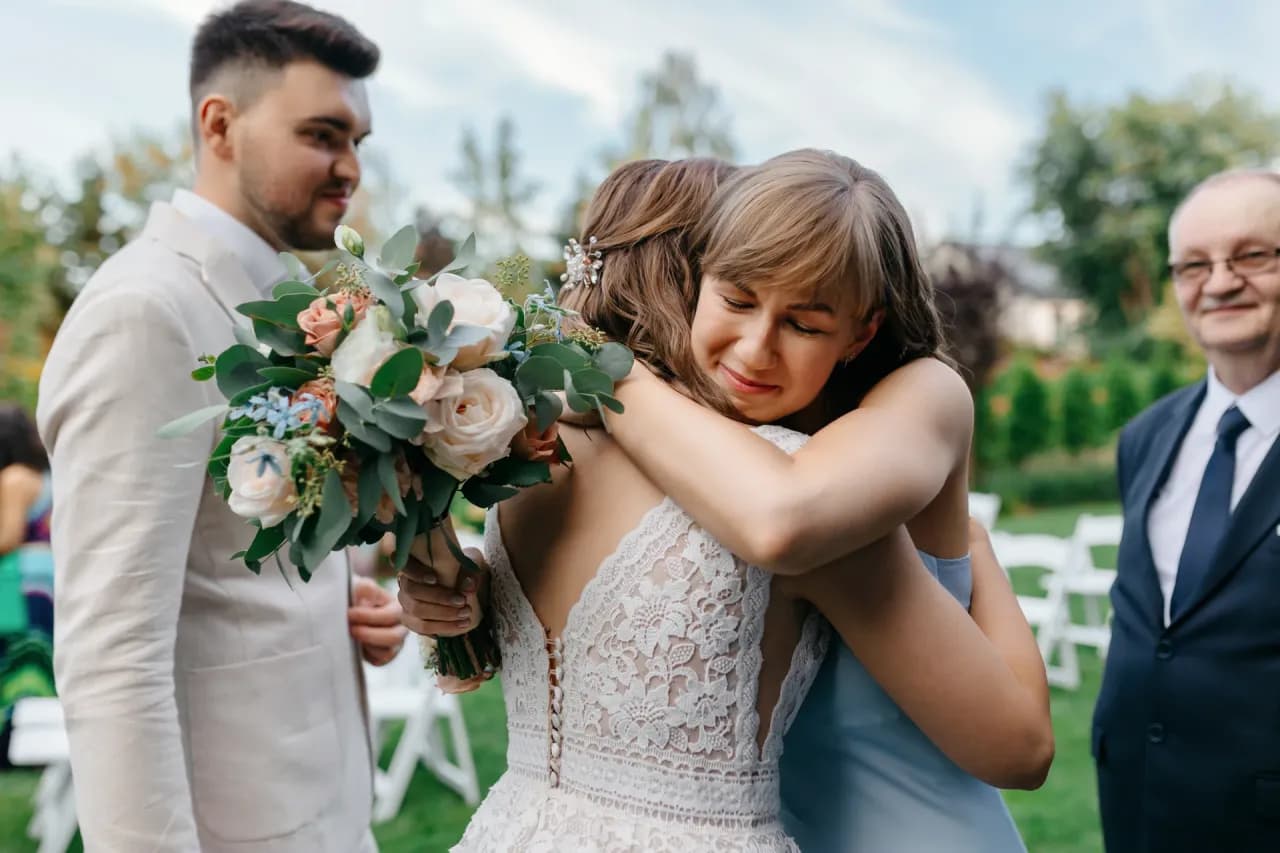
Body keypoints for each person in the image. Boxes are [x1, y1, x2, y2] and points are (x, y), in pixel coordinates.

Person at [403, 155, 1050, 852]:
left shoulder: (851, 447)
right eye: (737, 295)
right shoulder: (578, 447)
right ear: (694, 279)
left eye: (803, 317)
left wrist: (600, 367)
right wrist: (454, 602)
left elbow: (781, 517)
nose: (755, 345)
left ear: (859, 327)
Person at [36, 3, 404, 850]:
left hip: (320, 806)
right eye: (322, 133)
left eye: (358, 142)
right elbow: (111, 657)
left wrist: (343, 595)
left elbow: (229, 557)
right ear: (220, 124)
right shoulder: (145, 312)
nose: (350, 167)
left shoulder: (288, 309)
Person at [1091, 169, 1280, 852]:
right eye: (1194, 264)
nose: (1221, 281)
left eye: (1253, 255)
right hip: (1135, 800)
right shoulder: (1145, 436)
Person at [0, 404, 55, 767]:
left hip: (22, 579)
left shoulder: (14, 478)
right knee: (40, 654)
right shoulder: (45, 475)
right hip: (49, 575)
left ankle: (14, 742)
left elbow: (6, 537)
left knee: (19, 655)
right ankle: (39, 737)